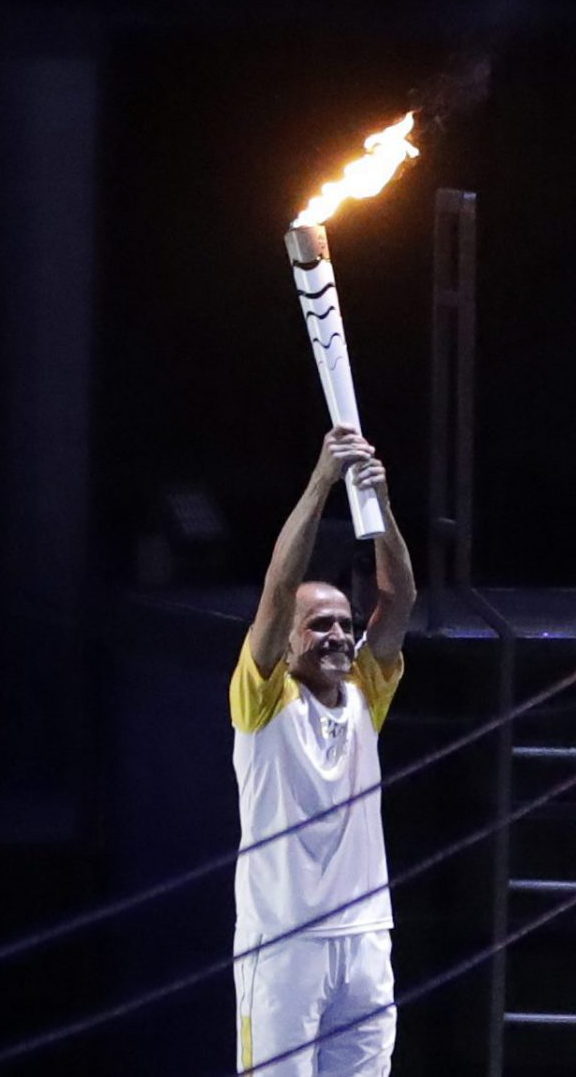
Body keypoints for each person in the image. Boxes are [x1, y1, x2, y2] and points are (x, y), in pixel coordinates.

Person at [229, 424, 416, 1076]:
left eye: (343, 622)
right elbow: (277, 592)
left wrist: (379, 505)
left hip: (365, 938)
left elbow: (399, 599)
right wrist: (320, 482)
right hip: (286, 945)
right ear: (285, 642)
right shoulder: (263, 701)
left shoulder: (365, 692)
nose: (338, 634)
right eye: (319, 624)